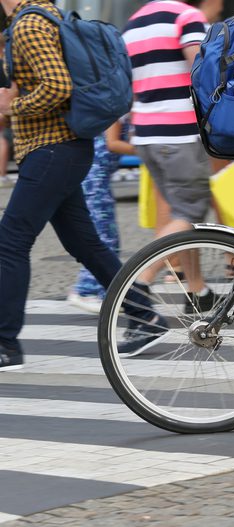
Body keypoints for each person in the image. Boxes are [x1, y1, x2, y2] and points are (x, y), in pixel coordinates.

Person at [0, 0, 163, 371]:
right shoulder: (40, 17)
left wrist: (14, 107)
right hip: (60, 150)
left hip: (52, 149)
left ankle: (5, 344)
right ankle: (144, 315)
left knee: (10, 241)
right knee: (84, 243)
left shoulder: (29, 25)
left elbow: (57, 86)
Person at [122, 0, 216, 312]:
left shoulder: (134, 23)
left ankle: (198, 291)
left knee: (181, 214)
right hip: (180, 133)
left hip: (147, 136)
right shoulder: (186, 17)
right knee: (189, 214)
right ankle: (140, 281)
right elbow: (202, 70)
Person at [66, 121, 128, 313]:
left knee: (106, 237)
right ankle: (85, 290)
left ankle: (105, 292)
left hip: (95, 177)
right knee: (104, 238)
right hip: (94, 180)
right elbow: (113, 143)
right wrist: (148, 151)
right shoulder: (115, 107)